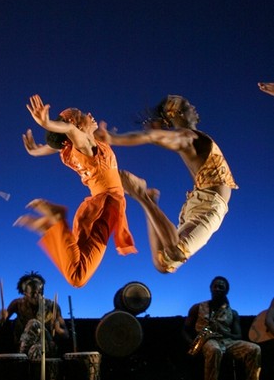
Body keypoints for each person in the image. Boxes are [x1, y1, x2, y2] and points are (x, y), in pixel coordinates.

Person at [99, 95, 238, 273]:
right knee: (174, 254)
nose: (193, 106)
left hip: (199, 201)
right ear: (176, 112)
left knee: (163, 265)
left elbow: (155, 135)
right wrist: (113, 138)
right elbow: (152, 136)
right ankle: (142, 196)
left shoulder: (190, 138)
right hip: (208, 205)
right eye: (187, 104)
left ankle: (149, 200)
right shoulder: (187, 136)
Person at [14, 95, 141, 288]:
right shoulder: (86, 147)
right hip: (105, 207)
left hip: (98, 208)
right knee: (77, 276)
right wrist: (47, 123)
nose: (89, 115)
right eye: (82, 114)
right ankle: (55, 222)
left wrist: (36, 151)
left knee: (76, 268)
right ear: (76, 124)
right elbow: (70, 131)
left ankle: (53, 227)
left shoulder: (74, 149)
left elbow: (58, 144)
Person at [183, 276, 263, 380]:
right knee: (215, 350)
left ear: (226, 291)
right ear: (210, 288)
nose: (217, 289)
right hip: (207, 340)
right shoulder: (197, 307)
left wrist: (224, 332)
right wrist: (191, 342)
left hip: (227, 341)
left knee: (255, 349)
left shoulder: (233, 313)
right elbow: (185, 330)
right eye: (215, 286)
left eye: (221, 287)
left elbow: (238, 335)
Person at [0, 272, 69, 359]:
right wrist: (1, 320)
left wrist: (59, 330)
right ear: (25, 293)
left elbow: (66, 334)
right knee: (34, 348)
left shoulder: (52, 306)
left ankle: (22, 356)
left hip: (46, 347)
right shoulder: (17, 304)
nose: (37, 296)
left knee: (34, 324)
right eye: (33, 293)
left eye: (40, 292)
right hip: (28, 349)